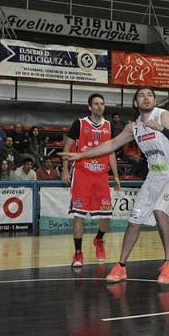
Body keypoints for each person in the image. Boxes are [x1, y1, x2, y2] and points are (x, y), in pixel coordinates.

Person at [62, 87, 169, 284]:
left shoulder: (163, 115)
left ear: (154, 100)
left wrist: (162, 129)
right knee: (134, 219)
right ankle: (121, 265)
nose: (146, 98)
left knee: (160, 211)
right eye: (141, 95)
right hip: (155, 175)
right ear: (135, 103)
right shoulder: (134, 127)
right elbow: (111, 145)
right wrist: (81, 155)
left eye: (150, 95)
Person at [62, 94, 121, 267]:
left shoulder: (109, 125)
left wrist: (116, 176)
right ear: (89, 107)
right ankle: (78, 253)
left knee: (106, 214)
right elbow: (67, 147)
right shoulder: (79, 123)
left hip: (102, 175)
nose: (99, 106)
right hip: (82, 174)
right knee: (79, 215)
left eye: (102, 104)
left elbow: (111, 152)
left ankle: (99, 239)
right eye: (95, 104)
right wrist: (65, 170)